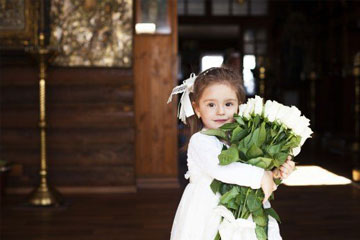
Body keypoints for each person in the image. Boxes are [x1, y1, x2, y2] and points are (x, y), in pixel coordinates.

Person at [167, 67, 295, 240]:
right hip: (208, 212)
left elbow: (257, 179)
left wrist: (274, 174)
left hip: (245, 214)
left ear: (238, 106)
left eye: (228, 104)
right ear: (197, 108)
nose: (220, 111)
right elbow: (221, 169)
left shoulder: (244, 140)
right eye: (211, 105)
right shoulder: (200, 141)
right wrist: (260, 176)